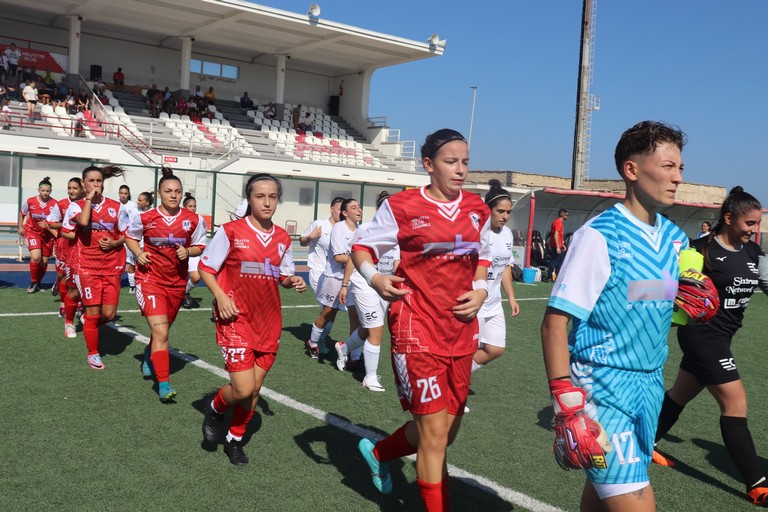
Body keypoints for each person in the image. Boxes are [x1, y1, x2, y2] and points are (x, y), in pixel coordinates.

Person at [540, 121, 689, 512]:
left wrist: (685, 301)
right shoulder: (600, 236)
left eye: (680, 169)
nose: (677, 178)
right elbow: (554, 323)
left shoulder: (676, 240)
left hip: (650, 385)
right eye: (668, 166)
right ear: (632, 170)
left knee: (604, 495)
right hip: (602, 387)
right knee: (636, 500)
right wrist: (566, 405)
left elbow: (637, 296)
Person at [352, 128, 491, 510]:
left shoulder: (477, 209)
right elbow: (362, 246)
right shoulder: (402, 206)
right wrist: (376, 277)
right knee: (432, 436)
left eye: (465, 161)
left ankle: (379, 454)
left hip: (461, 332)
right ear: (428, 165)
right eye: (451, 162)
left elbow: (483, 255)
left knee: (446, 433)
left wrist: (480, 289)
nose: (460, 169)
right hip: (417, 329)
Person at [652, 187, 768, 506]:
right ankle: (757, 484)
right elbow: (666, 287)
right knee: (735, 403)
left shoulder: (754, 253)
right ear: (728, 219)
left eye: (757, 224)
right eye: (748, 223)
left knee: (680, 394)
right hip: (701, 337)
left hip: (722, 338)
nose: (753, 229)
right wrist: (631, 290)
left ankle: (643, 443)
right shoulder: (699, 251)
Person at [199, 173, 306, 465]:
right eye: (260, 196)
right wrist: (221, 297)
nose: (267, 202)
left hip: (269, 321)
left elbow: (282, 275)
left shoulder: (283, 238)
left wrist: (292, 280)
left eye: (272, 196)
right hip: (235, 319)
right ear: (249, 199)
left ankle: (234, 440)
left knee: (254, 390)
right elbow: (206, 268)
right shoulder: (232, 231)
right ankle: (216, 407)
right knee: (243, 388)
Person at [125, 167, 207, 402]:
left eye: (178, 191)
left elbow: (200, 245)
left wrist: (188, 250)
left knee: (162, 330)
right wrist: (138, 253)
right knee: (161, 331)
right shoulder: (146, 217)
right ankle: (164, 384)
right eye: (168, 191)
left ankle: (149, 355)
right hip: (149, 279)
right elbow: (130, 236)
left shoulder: (193, 220)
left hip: (175, 282)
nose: (173, 195)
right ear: (159, 193)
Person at [62, 165, 129, 370]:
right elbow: (81, 222)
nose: (96, 184)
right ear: (84, 184)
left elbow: (126, 234)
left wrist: (115, 243)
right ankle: (93, 354)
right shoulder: (76, 206)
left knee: (108, 314)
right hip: (87, 267)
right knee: (93, 310)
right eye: (91, 181)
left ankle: (88, 322)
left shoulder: (117, 207)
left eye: (99, 181)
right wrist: (89, 199)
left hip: (111, 267)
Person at [335, 191, 400, 391]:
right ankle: (370, 378)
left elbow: (397, 262)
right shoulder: (366, 229)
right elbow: (355, 258)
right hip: (364, 284)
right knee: (377, 330)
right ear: (380, 210)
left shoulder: (400, 232)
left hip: (384, 286)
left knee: (369, 328)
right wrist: (345, 285)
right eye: (388, 208)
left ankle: (343, 348)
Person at [471, 179, 520, 374]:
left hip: (494, 304)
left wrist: (511, 297)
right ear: (488, 209)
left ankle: (457, 379)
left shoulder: (507, 233)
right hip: (476, 303)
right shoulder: (478, 233)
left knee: (496, 349)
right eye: (500, 211)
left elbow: (505, 267)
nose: (505, 216)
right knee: (467, 350)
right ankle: (455, 389)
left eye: (508, 212)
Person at [306, 198, 362, 359]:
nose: (358, 210)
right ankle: (314, 342)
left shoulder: (361, 230)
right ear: (345, 213)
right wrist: (365, 261)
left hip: (352, 279)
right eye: (354, 207)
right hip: (334, 277)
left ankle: (354, 357)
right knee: (328, 313)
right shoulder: (338, 228)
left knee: (355, 316)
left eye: (359, 207)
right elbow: (338, 257)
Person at [300, 196, 344, 353]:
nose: (342, 212)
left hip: (337, 274)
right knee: (329, 308)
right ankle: (315, 342)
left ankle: (320, 339)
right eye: (339, 208)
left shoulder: (346, 228)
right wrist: (311, 237)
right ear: (332, 208)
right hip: (318, 272)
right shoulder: (320, 224)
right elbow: (302, 241)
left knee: (333, 310)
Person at [45, 177, 85, 323]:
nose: (71, 191)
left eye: (75, 188)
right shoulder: (61, 204)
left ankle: (80, 303)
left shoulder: (86, 204)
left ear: (82, 189)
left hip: (81, 245)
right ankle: (63, 305)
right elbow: (50, 222)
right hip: (64, 244)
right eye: (69, 188)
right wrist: (60, 232)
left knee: (79, 275)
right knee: (63, 275)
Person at [18, 176, 57, 293]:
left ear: (51, 191)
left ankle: (38, 283)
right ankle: (33, 282)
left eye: (48, 191)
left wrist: (48, 226)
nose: (45, 193)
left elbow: (57, 220)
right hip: (32, 231)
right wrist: (20, 226)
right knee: (36, 257)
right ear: (38, 190)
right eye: (43, 190)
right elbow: (22, 213)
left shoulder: (55, 204)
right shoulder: (30, 201)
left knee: (44, 262)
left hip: (47, 235)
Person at [181, 192, 207, 309]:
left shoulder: (199, 219)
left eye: (194, 206)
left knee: (196, 277)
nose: (192, 208)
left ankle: (183, 293)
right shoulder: (179, 218)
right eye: (190, 206)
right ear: (184, 207)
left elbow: (201, 240)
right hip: (178, 252)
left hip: (192, 252)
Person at [119, 185, 139, 293]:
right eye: (121, 193)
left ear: (128, 194)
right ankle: (116, 281)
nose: (123, 195)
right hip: (118, 237)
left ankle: (133, 285)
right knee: (118, 261)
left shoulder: (133, 206)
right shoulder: (115, 205)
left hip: (129, 237)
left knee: (132, 262)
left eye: (125, 193)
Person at [547, 208, 569, 277]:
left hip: (559, 245)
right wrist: (557, 247)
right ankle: (550, 276)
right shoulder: (558, 222)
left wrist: (562, 245)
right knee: (555, 260)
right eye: (566, 215)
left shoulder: (559, 222)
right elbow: (555, 235)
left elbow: (559, 236)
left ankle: (557, 276)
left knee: (560, 260)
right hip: (556, 246)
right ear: (562, 215)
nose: (567, 216)